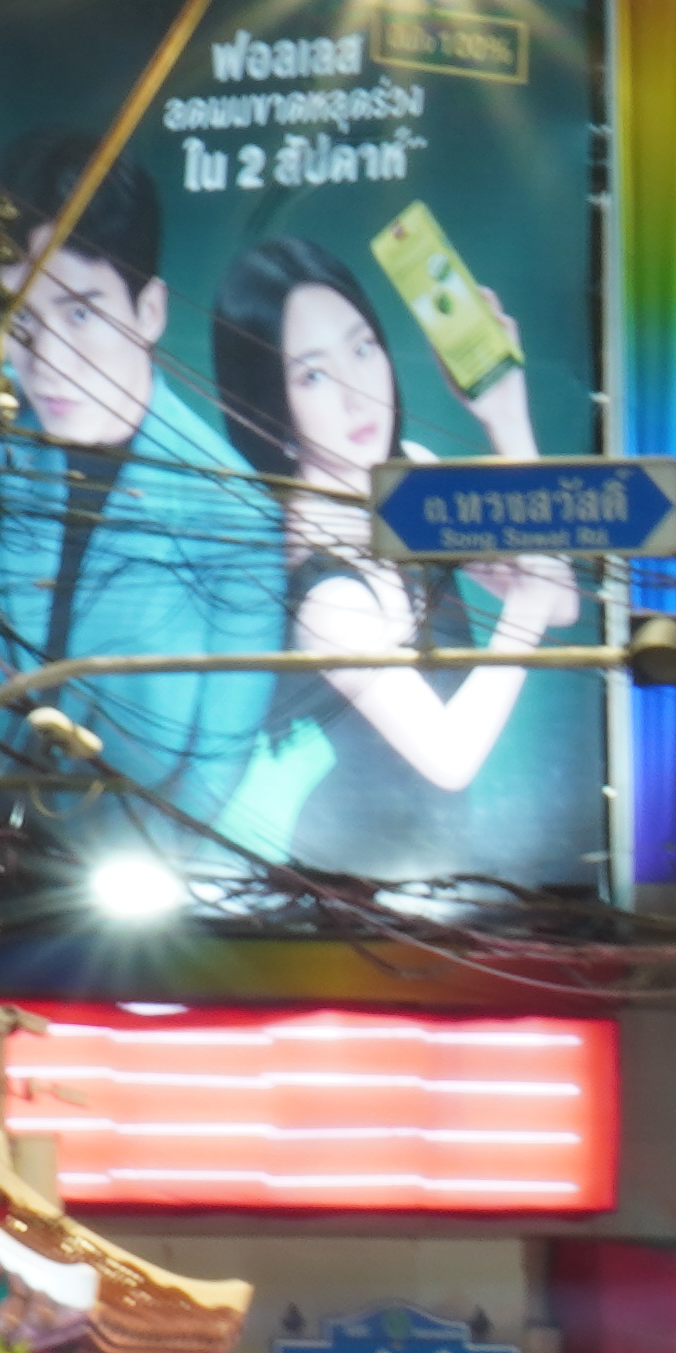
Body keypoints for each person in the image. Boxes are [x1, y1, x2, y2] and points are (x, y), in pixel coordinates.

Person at [203, 234, 581, 880]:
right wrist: (521, 610)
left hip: (436, 871)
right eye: (314, 374)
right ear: (271, 408)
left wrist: (506, 417)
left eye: (363, 347)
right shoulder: (325, 593)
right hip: (342, 892)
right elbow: (449, 757)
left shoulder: (409, 476)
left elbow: (564, 599)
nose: (358, 394)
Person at [0, 130, 301, 863]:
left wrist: (134, 877)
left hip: (134, 887)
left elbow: (218, 759)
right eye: (20, 320)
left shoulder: (234, 509)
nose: (46, 362)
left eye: (82, 313)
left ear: (150, 311)